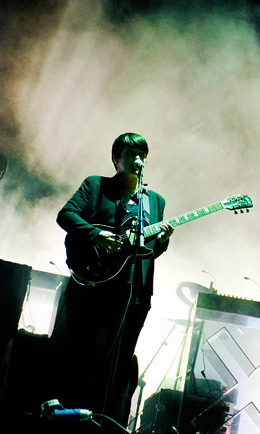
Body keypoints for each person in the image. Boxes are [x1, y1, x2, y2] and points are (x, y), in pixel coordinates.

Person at [52, 132, 173, 426]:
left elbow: (146, 253)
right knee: (78, 355)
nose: (138, 160)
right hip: (91, 286)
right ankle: (66, 416)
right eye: (131, 154)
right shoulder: (97, 186)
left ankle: (105, 421)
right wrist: (97, 236)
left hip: (133, 294)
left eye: (142, 154)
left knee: (119, 364)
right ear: (116, 159)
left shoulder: (155, 201)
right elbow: (65, 215)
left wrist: (163, 240)